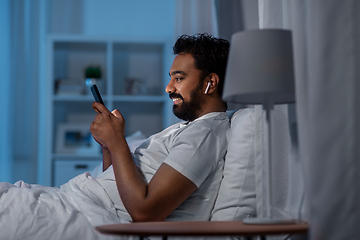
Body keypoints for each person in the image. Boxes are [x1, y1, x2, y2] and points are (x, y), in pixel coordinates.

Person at [90, 33, 230, 222]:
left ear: (210, 83)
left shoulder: (205, 134)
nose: (168, 88)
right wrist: (108, 144)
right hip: (87, 205)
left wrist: (117, 141)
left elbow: (145, 212)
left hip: (87, 212)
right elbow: (112, 185)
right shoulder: (187, 128)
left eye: (178, 79)